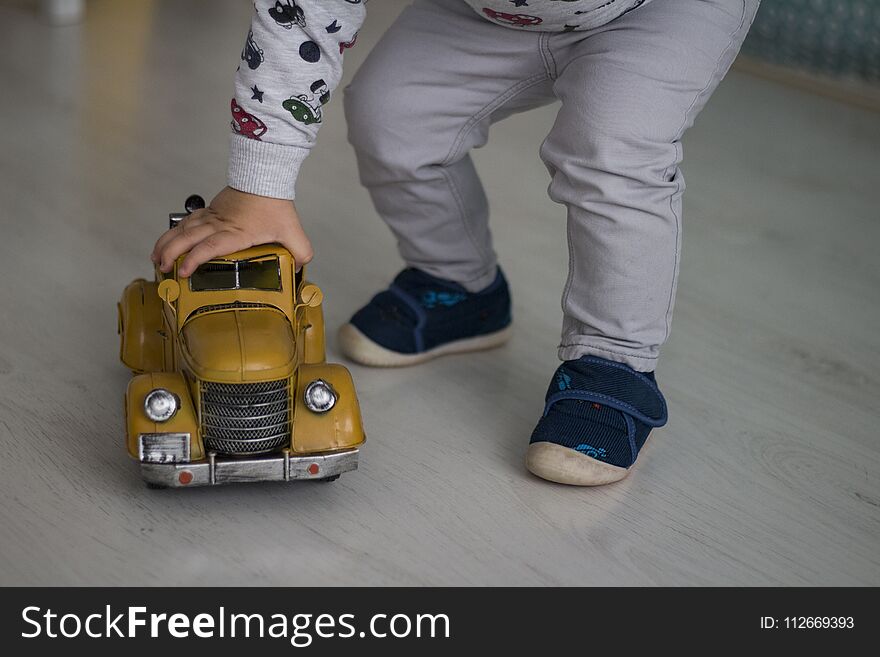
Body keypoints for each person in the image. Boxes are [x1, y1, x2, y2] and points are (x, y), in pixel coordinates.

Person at [151, 0, 760, 486]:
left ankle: (615, 363)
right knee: (391, 113)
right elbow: (302, 10)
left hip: (656, 12)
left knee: (610, 150)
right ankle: (459, 285)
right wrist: (260, 183)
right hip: (488, 13)